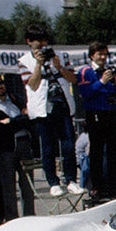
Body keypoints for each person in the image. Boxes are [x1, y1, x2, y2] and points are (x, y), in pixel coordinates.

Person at [18, 24, 82, 197]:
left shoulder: (59, 56)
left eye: (44, 41)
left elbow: (73, 79)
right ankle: (53, 182)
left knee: (68, 144)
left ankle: (70, 180)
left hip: (62, 105)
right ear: (29, 42)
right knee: (47, 148)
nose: (41, 45)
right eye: (37, 42)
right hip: (42, 108)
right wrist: (39, 64)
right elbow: (32, 84)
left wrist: (59, 66)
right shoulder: (24, 61)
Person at [76, 42, 116, 202]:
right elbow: (85, 93)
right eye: (99, 54)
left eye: (105, 54)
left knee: (115, 150)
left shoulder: (108, 71)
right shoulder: (86, 71)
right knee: (97, 151)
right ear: (92, 56)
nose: (103, 57)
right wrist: (102, 81)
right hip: (95, 113)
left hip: (111, 112)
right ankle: (97, 187)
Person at [0, 74, 33, 222]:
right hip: (6, 149)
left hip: (24, 144)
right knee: (8, 188)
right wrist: (17, 121)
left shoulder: (15, 99)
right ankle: (12, 220)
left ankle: (29, 218)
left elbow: (28, 117)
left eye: (1, 83)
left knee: (27, 185)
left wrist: (11, 121)